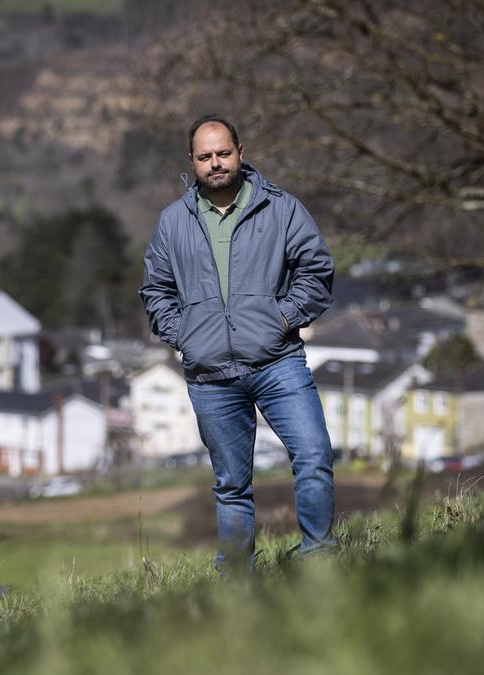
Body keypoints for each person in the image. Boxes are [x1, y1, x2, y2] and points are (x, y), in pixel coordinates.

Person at [139, 114, 338, 571]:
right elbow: (155, 291)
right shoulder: (172, 222)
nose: (215, 163)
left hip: (278, 362)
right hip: (210, 377)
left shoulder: (282, 208)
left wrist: (282, 318)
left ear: (241, 153)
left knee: (313, 455)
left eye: (223, 153)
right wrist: (185, 336)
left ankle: (320, 561)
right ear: (192, 162)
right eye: (205, 156)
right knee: (231, 485)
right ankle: (236, 579)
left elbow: (316, 270)